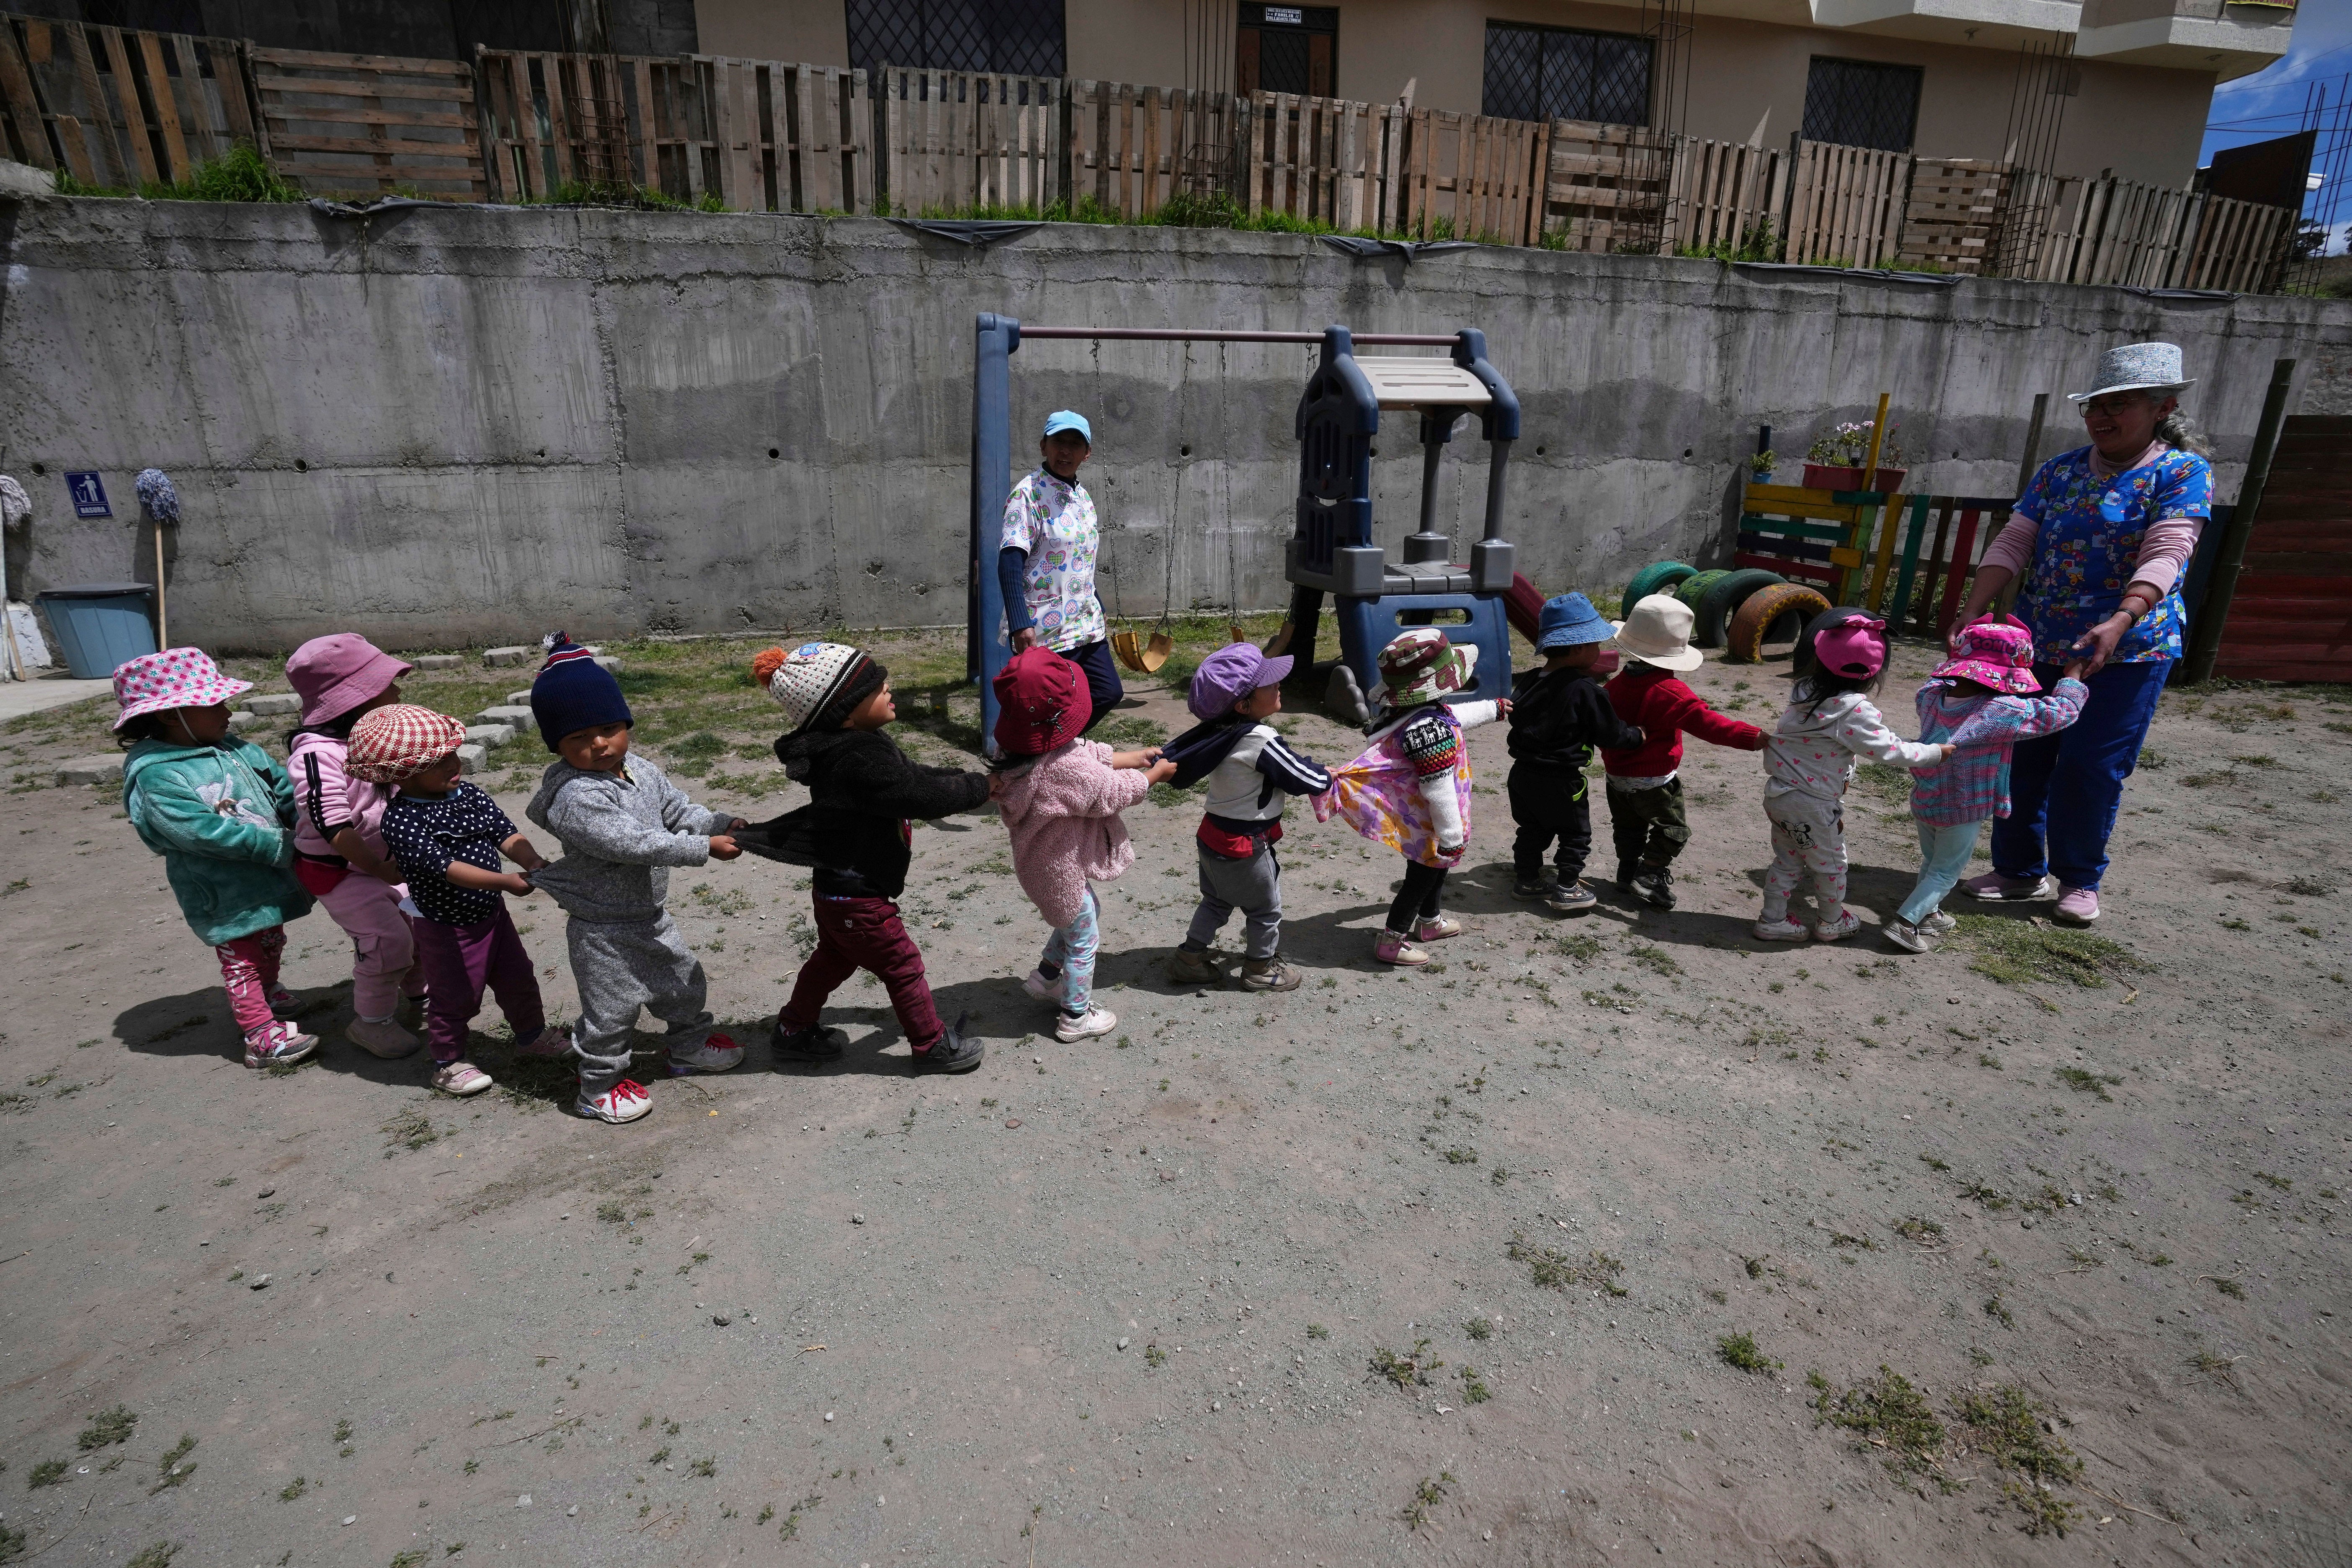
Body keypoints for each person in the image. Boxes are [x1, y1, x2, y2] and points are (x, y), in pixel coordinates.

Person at [1952, 341, 2215, 926]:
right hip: (2041, 640)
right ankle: (2019, 870)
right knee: (2022, 756)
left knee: (2090, 766)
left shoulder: (2182, 473)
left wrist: (2121, 619)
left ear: (2163, 408)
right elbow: (2016, 540)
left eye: (2120, 404)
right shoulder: (2060, 471)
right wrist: (1974, 608)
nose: (2102, 416)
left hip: (2128, 649)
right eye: (2095, 405)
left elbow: (2169, 551)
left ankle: (2079, 878)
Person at [745, 640, 995, 1074]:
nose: (888, 689)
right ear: (844, 712)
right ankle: (931, 1045)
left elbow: (912, 775)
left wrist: (964, 779)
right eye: (877, 689)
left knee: (832, 959)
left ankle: (792, 1030)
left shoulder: (859, 743)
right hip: (858, 896)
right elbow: (915, 793)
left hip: (839, 891)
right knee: (902, 964)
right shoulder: (857, 758)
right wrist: (978, 789)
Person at [524, 636, 747, 1119]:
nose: (598, 744)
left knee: (682, 982)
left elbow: (676, 809)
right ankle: (598, 1087)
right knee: (612, 1012)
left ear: (626, 724)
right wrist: (701, 848)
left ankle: (689, 1046)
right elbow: (630, 844)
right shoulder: (577, 797)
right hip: (602, 929)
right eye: (579, 738)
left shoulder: (640, 770)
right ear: (558, 745)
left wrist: (716, 823)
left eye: (609, 729)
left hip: (649, 914)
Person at [117, 647, 320, 1069]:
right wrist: (279, 845)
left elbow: (282, 789)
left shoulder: (237, 749)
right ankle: (260, 1037)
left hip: (266, 878)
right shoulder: (157, 774)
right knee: (241, 957)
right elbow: (198, 832)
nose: (228, 712)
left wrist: (306, 822)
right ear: (171, 715)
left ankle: (268, 991)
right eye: (214, 705)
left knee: (270, 940)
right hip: (221, 889)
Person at [354, 704, 570, 1100]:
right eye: (438, 762)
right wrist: (505, 882)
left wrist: (533, 861)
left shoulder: (466, 794)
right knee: (457, 993)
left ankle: (532, 1036)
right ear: (402, 775)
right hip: (448, 926)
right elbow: (446, 868)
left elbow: (503, 832)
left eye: (453, 753)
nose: (454, 764)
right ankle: (448, 1060)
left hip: (491, 914)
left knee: (518, 977)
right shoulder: (401, 820)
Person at [993, 646, 1175, 1040]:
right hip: (1060, 871)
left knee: (1077, 919)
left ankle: (1046, 978)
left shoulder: (1021, 752)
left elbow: (1087, 754)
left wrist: (1134, 757)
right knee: (1085, 939)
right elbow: (1109, 792)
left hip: (1042, 866)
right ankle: (1076, 1017)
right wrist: (1154, 776)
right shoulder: (1064, 768)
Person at [1887, 619, 2088, 953]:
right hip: (1963, 806)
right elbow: (2060, 714)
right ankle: (1906, 923)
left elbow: (1936, 682)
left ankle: (1930, 914)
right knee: (1946, 872)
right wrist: (2072, 680)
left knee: (1934, 862)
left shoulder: (1931, 697)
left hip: (1926, 795)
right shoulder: (2000, 710)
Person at [1311, 628, 1507, 967]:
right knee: (1422, 878)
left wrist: (1493, 709)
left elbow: (1455, 718)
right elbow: (1438, 788)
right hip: (1432, 818)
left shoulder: (1420, 716)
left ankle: (1430, 922)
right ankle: (1391, 941)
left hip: (1421, 817)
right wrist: (1451, 835)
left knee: (1437, 867)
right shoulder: (1429, 732)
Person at [1754, 611, 1951, 942]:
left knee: (1788, 860)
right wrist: (1934, 753)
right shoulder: (1852, 710)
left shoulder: (1804, 693)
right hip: (1813, 804)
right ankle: (1832, 921)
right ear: (1875, 672)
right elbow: (1889, 750)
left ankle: (1773, 919)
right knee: (1831, 865)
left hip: (1780, 796)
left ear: (1818, 657)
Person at [284, 633, 429, 1059]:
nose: (397, 691)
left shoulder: (374, 741)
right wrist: (379, 868)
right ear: (356, 698)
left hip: (387, 860)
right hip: (341, 870)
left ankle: (421, 992)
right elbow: (332, 825)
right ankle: (371, 1022)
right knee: (386, 942)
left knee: (420, 927)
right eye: (386, 684)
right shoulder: (317, 755)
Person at [1162, 641, 1330, 992]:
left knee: (1217, 900)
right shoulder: (1260, 739)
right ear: (1243, 705)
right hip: (1246, 846)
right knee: (1265, 910)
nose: (1278, 684)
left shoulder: (1219, 732)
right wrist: (1325, 776)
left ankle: (1189, 959)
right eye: (1269, 683)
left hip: (1213, 836)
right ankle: (1259, 969)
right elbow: (1303, 778)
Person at [1599, 594, 1767, 910]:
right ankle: (1649, 875)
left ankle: (1626, 874)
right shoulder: (1671, 692)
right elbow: (1709, 725)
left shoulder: (1614, 686)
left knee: (1629, 829)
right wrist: (1752, 736)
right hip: (1654, 780)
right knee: (1674, 830)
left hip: (1616, 778)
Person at [1507, 593, 1644, 913]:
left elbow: (1516, 714)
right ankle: (1568, 888)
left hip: (1522, 775)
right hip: (1562, 780)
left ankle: (1527, 881)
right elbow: (1610, 734)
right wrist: (1636, 736)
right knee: (1575, 833)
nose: (1599, 651)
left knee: (1531, 829)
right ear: (1579, 648)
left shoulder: (1530, 681)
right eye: (1596, 644)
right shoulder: (1585, 689)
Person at [999, 409, 1123, 734]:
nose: (1066, 451)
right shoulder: (1027, 494)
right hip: (1044, 625)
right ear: (1044, 446)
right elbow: (1010, 560)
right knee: (1049, 701)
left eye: (1075, 444)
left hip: (1084, 620)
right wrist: (1020, 623)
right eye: (1058, 442)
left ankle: (1055, 749)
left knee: (1107, 692)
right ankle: (1030, 752)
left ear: (1087, 452)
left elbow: (1081, 559)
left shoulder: (1083, 497)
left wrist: (1098, 603)